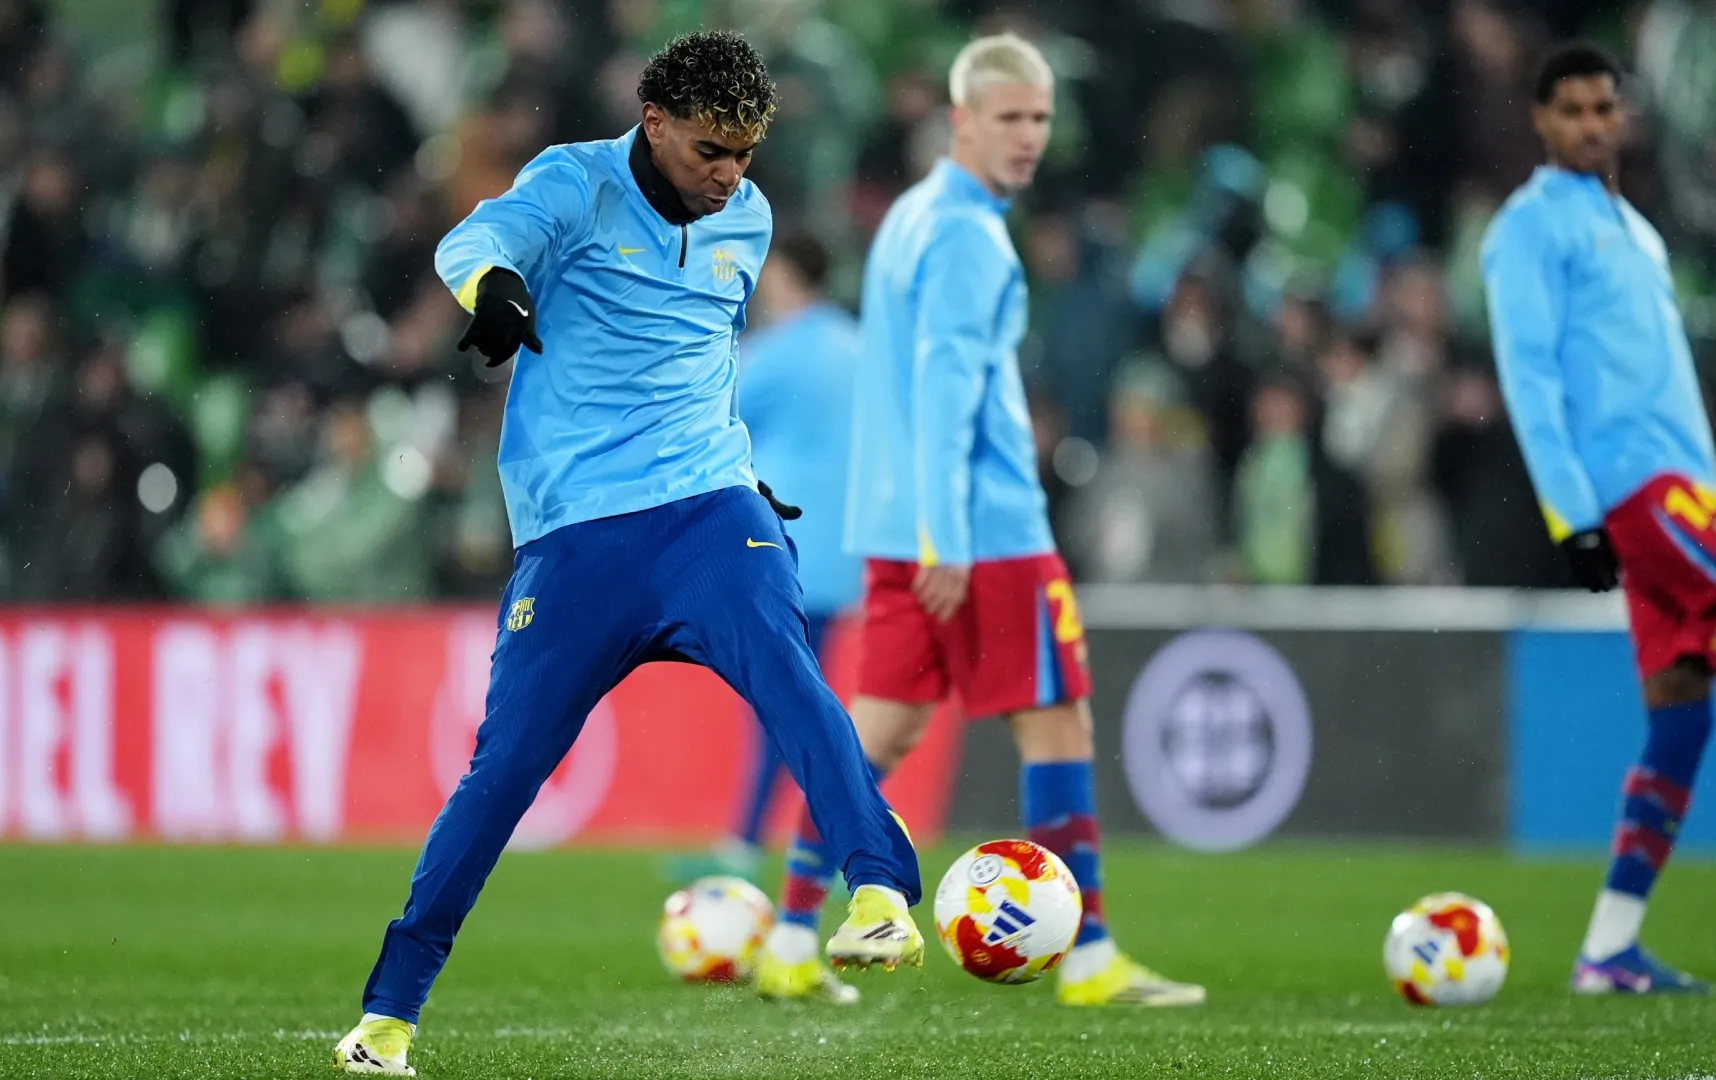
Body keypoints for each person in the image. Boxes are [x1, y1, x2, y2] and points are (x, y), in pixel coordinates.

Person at [332, 33, 922, 1076]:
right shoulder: (574, 182)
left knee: (791, 677)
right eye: (709, 151)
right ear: (654, 122)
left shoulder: (749, 216)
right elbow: (474, 241)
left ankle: (879, 892)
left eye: (744, 153)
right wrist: (501, 292)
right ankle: (388, 1016)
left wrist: (734, 469)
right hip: (578, 540)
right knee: (503, 774)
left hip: (710, 512)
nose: (729, 175)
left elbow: (695, 356)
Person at [754, 32, 1204, 1009]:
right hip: (982, 529)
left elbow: (904, 377)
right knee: (1059, 724)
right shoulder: (967, 234)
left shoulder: (912, 219)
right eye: (1009, 117)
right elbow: (948, 381)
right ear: (963, 121)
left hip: (893, 520)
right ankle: (1086, 958)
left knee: (877, 729)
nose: (1029, 136)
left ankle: (787, 934)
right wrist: (947, 536)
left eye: (1041, 118)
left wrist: (914, 526)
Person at [1481, 43, 1716, 997]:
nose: (1593, 124)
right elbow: (1529, 380)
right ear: (1541, 120)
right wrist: (1572, 517)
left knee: (1679, 722)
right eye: (1571, 110)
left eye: (1605, 107)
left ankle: (1608, 948)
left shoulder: (1633, 227)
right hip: (1636, 490)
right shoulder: (1527, 230)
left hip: (1678, 486)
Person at [669, 231, 864, 886]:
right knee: (801, 697)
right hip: (841, 551)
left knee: (785, 700)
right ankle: (797, 841)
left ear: (788, 278)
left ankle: (803, 843)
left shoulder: (780, 352)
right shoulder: (855, 346)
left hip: (779, 544)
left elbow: (702, 403)